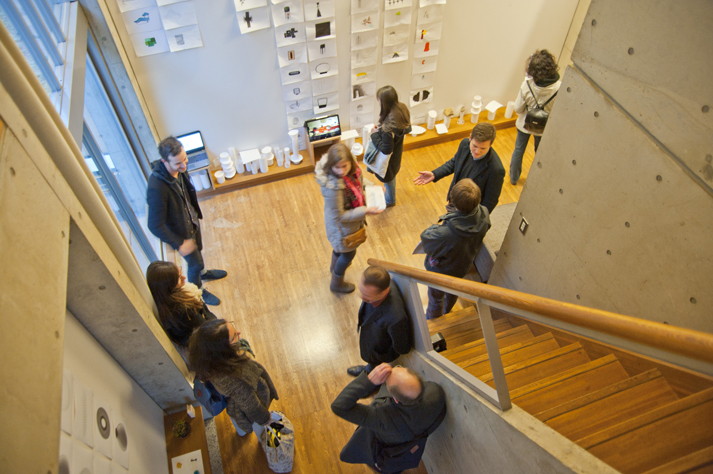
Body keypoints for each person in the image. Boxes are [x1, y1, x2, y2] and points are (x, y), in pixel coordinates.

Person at [147, 137, 226, 306]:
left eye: (185, 159)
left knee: (199, 254)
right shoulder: (156, 187)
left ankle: (204, 273)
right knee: (194, 264)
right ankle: (198, 291)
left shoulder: (181, 169)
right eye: (178, 163)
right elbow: (154, 225)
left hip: (191, 222)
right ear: (164, 161)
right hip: (181, 234)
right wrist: (179, 243)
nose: (184, 166)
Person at [331, 363, 446, 472]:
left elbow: (339, 406)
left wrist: (369, 381)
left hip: (383, 452)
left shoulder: (382, 418)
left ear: (395, 399)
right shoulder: (436, 393)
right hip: (404, 449)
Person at [188, 319, 279, 438]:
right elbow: (252, 406)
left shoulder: (207, 358)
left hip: (232, 402)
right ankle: (245, 432)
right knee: (255, 427)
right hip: (243, 408)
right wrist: (266, 419)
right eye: (234, 337)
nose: (239, 333)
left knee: (238, 422)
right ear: (223, 350)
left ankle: (242, 432)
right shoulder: (236, 378)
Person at [315, 143, 382, 293]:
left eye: (344, 166)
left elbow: (360, 182)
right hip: (342, 229)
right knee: (348, 254)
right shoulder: (332, 186)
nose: (341, 171)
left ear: (350, 162)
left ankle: (334, 268)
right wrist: (364, 210)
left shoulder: (353, 170)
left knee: (340, 251)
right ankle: (336, 283)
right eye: (337, 167)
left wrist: (373, 188)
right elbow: (340, 215)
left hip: (346, 226)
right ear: (330, 165)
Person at [420, 179, 491, 319]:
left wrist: (435, 227)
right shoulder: (484, 212)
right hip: (463, 266)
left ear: (453, 201)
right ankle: (447, 311)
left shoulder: (445, 234)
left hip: (441, 272)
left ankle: (434, 320)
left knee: (436, 298)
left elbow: (426, 241)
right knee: (453, 291)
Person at [413, 123, 505, 214]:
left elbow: (490, 202)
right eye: (475, 146)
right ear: (470, 138)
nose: (477, 151)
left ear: (491, 144)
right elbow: (454, 162)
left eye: (483, 148)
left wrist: (478, 221)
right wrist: (435, 174)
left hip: (470, 213)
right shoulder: (464, 144)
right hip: (454, 200)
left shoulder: (496, 170)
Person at [347, 266, 412, 377]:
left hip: (380, 351)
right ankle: (370, 368)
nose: (362, 297)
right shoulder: (380, 285)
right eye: (361, 291)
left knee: (375, 371)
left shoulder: (396, 318)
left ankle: (371, 377)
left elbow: (402, 348)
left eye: (367, 296)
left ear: (384, 292)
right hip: (371, 337)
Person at [510, 49, 562, 185]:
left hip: (524, 126)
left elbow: (518, 109)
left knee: (519, 150)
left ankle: (514, 178)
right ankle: (538, 179)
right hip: (544, 129)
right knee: (540, 153)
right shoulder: (559, 87)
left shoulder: (527, 86)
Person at [146, 260, 217, 351]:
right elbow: (208, 331)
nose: (184, 277)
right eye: (179, 277)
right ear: (170, 285)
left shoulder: (165, 300)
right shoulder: (184, 310)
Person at [368, 86, 413, 207]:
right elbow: (408, 128)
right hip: (397, 154)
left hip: (389, 160)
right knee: (392, 175)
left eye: (379, 100)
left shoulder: (387, 128)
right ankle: (390, 197)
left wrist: (374, 135)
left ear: (384, 103)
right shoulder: (402, 109)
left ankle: (390, 200)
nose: (378, 102)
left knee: (388, 179)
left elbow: (386, 149)